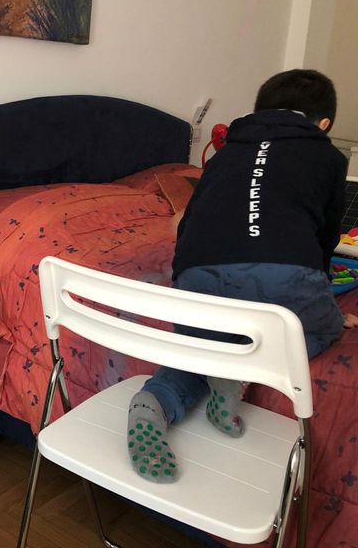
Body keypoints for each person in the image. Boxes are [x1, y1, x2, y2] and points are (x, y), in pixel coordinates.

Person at [126, 69, 358, 483]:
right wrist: (323, 299)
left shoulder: (227, 153)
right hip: (287, 273)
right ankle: (238, 371)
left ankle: (153, 404)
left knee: (204, 350)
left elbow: (190, 223)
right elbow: (325, 235)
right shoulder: (328, 157)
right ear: (323, 124)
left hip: (197, 275)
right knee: (324, 331)